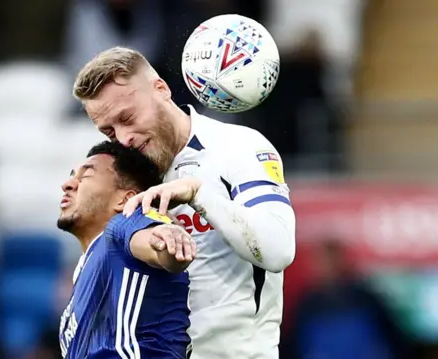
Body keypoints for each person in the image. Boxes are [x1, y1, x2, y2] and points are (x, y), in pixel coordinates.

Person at [72, 47, 297, 359]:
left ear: (161, 89)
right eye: (109, 131)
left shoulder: (239, 147)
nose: (123, 138)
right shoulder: (129, 180)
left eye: (128, 117)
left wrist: (198, 193)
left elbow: (279, 250)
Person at [57, 140, 195, 359]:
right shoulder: (86, 270)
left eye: (85, 177)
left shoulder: (122, 226)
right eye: (72, 176)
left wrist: (169, 242)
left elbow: (155, 244)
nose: (68, 184)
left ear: (126, 200)